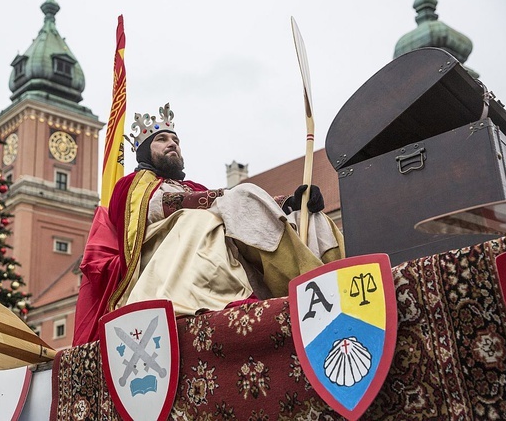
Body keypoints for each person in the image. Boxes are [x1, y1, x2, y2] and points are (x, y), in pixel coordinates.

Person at [72, 103, 344, 345]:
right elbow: (162, 206)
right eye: (162, 139)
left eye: (175, 139)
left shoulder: (193, 187)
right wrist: (225, 198)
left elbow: (227, 204)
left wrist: (289, 202)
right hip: (169, 263)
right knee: (233, 201)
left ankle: (334, 275)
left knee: (308, 214)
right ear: (144, 153)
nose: (172, 143)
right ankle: (309, 285)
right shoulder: (133, 186)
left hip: (219, 245)